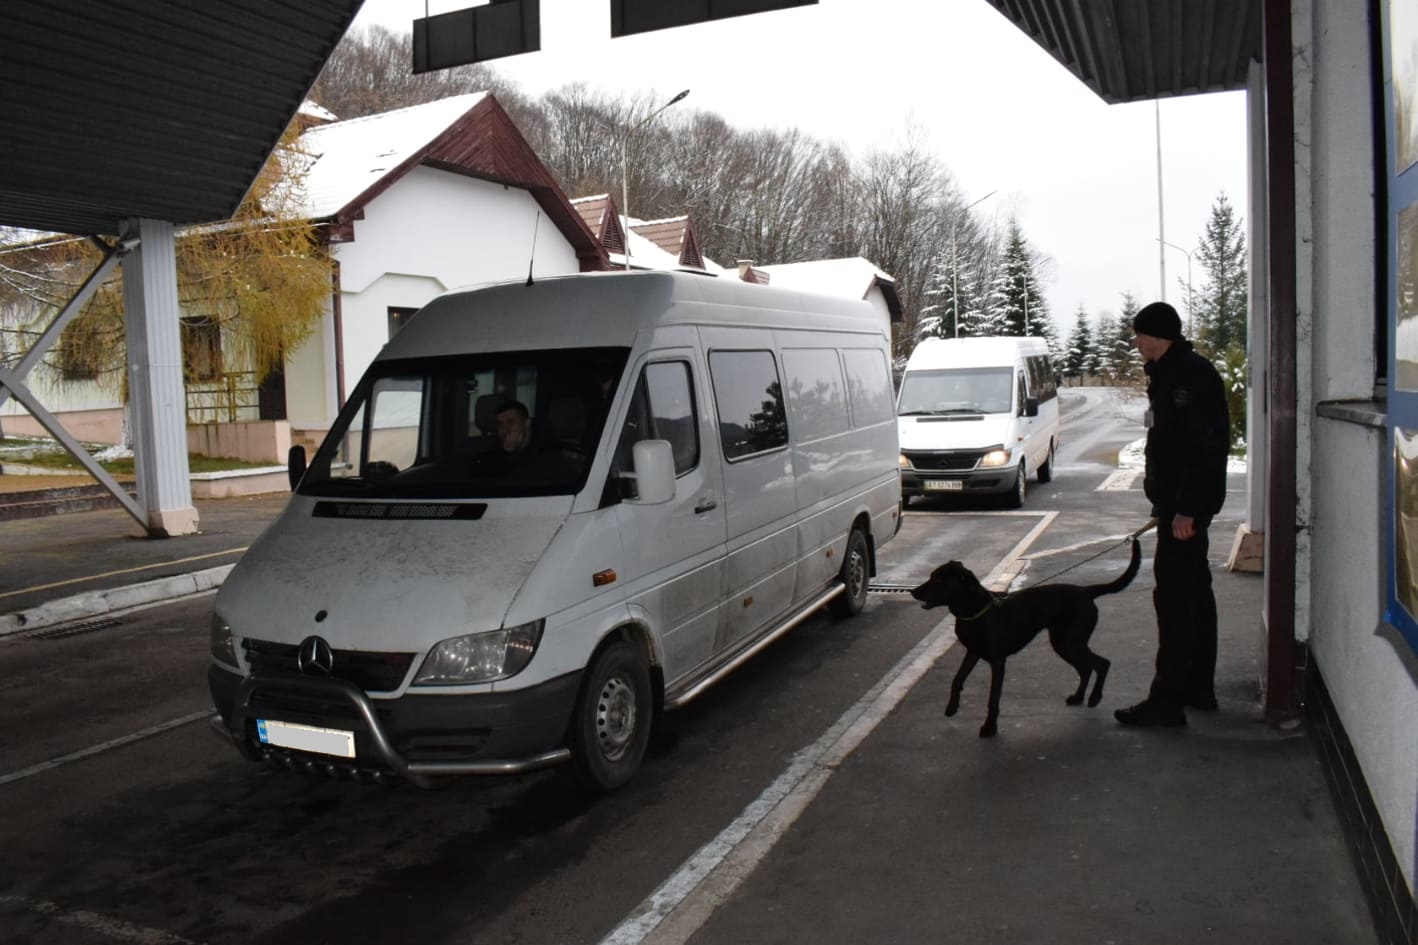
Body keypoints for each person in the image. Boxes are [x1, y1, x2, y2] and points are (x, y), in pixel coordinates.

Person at [1115, 301, 1231, 728]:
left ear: (1160, 336)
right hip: (1180, 507)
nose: (1137, 341)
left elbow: (1204, 448)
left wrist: (1186, 509)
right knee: (1195, 598)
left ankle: (1167, 701)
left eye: (1141, 334)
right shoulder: (1169, 373)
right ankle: (1198, 687)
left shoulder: (1189, 377)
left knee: (1176, 603)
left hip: (1185, 512)